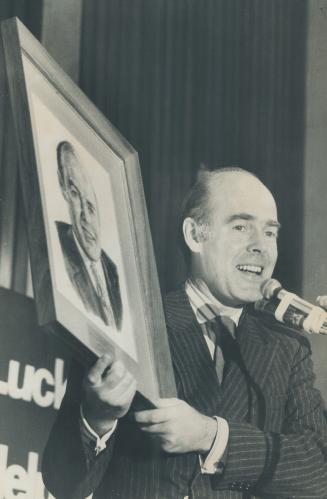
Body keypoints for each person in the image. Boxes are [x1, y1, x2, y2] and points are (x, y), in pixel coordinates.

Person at [42, 167, 327, 498]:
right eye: (240, 227)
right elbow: (62, 481)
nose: (260, 246)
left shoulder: (288, 349)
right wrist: (98, 416)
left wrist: (211, 436)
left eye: (270, 233)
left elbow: (319, 470)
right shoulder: (129, 323)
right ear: (194, 235)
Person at [56, 141, 122, 329]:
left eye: (92, 205)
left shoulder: (113, 270)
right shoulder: (57, 248)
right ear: (63, 188)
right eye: (75, 194)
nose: (85, 216)